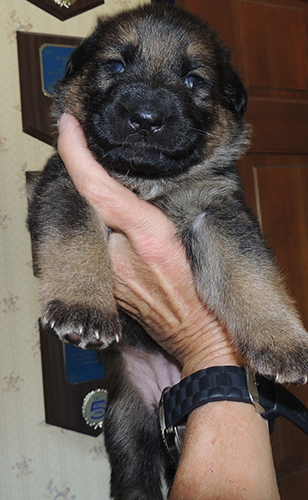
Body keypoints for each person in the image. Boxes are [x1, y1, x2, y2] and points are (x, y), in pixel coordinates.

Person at [57, 114, 280, 499]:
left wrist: (215, 344)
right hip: (132, 361)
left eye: (193, 81)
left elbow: (238, 247)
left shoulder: (211, 177)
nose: (147, 112)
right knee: (133, 475)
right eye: (116, 65)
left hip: (208, 371)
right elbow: (58, 212)